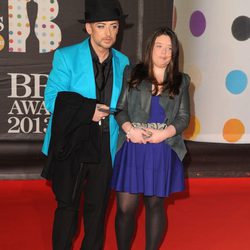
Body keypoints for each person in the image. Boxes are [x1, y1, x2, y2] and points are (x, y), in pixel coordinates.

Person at [41, 0, 129, 249]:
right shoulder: (67, 56)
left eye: (114, 26)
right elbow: (51, 100)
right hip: (73, 142)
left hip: (106, 144)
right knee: (67, 207)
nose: (108, 33)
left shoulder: (124, 62)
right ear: (89, 28)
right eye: (101, 26)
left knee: (97, 210)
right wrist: (87, 110)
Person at [111, 27, 190, 250]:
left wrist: (163, 134)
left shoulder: (181, 81)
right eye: (159, 46)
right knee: (126, 208)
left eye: (169, 48)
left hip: (161, 148)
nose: (164, 53)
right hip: (133, 145)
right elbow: (120, 109)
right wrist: (129, 130)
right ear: (150, 48)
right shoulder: (132, 73)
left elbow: (184, 118)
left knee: (155, 206)